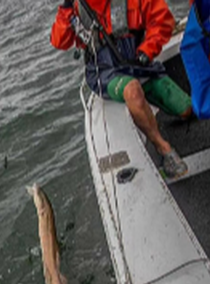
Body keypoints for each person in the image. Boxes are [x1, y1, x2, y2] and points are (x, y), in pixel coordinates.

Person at [52, 0, 192, 178]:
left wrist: (147, 51)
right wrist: (65, 9)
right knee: (132, 90)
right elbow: (59, 41)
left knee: (187, 109)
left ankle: (148, 107)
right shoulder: (75, 8)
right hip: (103, 72)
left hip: (139, 65)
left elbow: (163, 21)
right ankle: (163, 148)